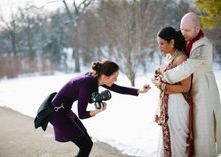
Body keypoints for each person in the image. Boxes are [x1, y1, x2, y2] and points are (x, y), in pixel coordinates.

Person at [49, 60, 151, 157]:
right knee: (86, 145)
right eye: (114, 77)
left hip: (64, 111)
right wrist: (97, 111)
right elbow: (82, 114)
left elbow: (117, 88)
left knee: (87, 144)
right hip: (58, 114)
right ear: (104, 76)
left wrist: (139, 90)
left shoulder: (95, 77)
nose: (116, 80)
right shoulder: (87, 84)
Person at [160, 12, 221, 157]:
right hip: (190, 95)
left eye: (187, 30)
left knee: (203, 136)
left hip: (203, 94)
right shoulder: (187, 40)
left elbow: (187, 67)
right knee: (190, 135)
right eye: (181, 29)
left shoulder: (203, 45)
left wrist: (165, 77)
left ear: (197, 29)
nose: (183, 33)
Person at [152, 26, 192, 157]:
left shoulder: (181, 59)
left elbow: (185, 87)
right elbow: (159, 75)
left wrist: (164, 87)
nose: (160, 47)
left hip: (177, 107)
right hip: (167, 106)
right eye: (159, 44)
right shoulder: (169, 57)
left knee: (177, 143)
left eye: (162, 44)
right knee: (166, 141)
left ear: (172, 42)